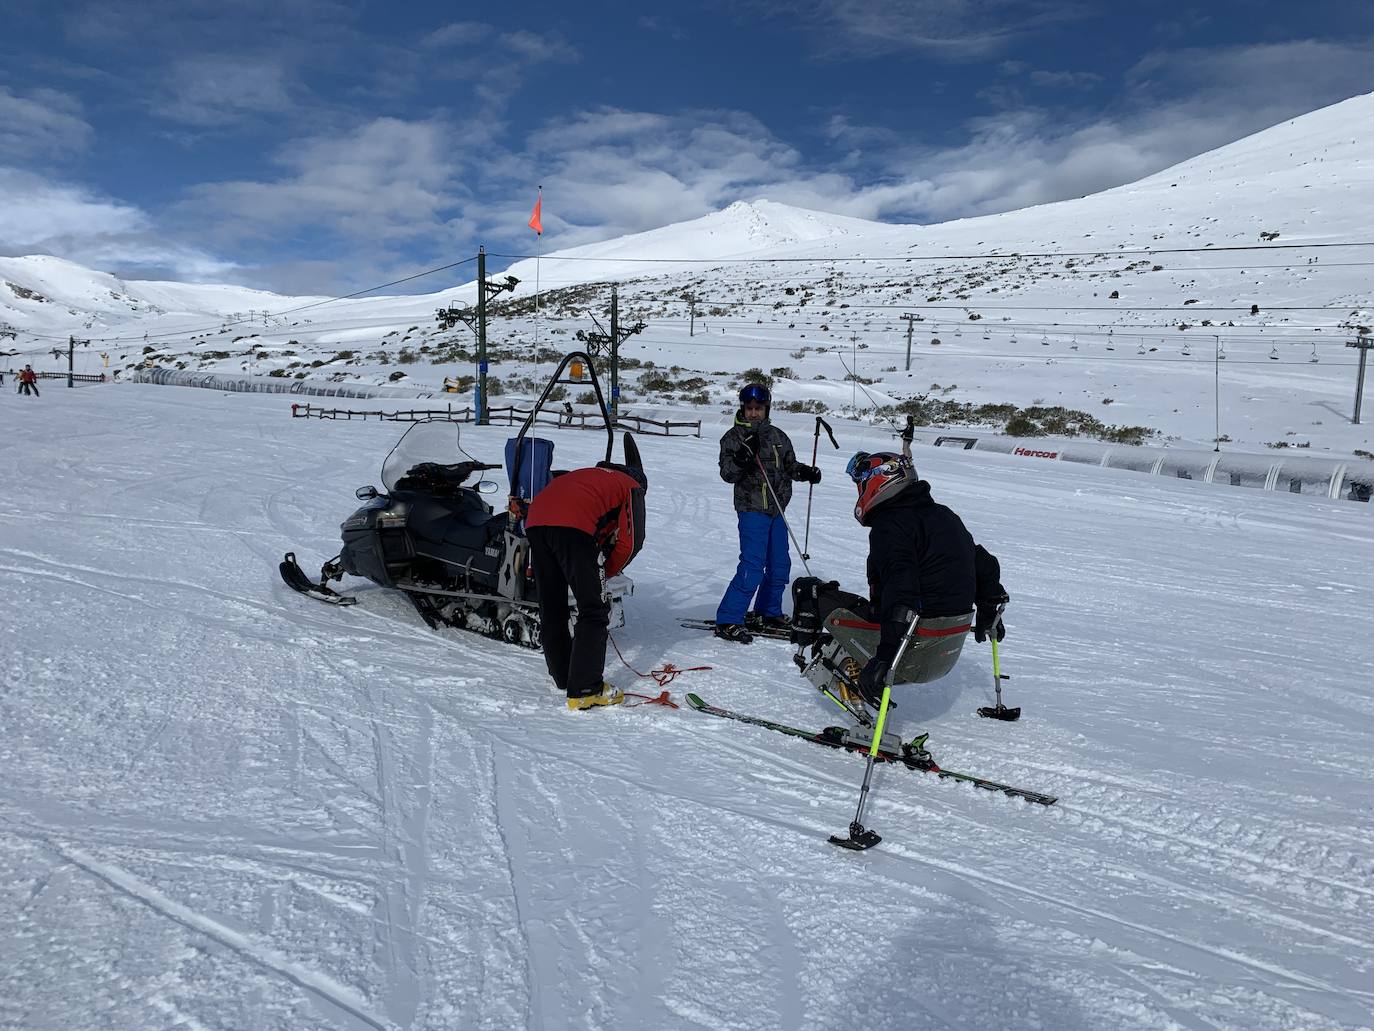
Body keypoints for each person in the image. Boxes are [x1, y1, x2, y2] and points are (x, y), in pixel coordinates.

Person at [846, 450, 1008, 704]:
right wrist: (989, 609)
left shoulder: (889, 525)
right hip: (943, 642)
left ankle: (851, 691)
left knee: (812, 593)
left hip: (910, 646)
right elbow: (983, 563)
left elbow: (901, 593)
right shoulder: (944, 515)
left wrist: (884, 658)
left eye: (860, 483)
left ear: (877, 480)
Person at [525, 458, 647, 710]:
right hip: (573, 526)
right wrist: (606, 573)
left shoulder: (593, 476)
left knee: (553, 605)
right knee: (594, 608)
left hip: (536, 522)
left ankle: (563, 675)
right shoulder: (632, 486)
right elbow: (631, 542)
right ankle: (585, 688)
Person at [714, 383, 821, 643]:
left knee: (779, 565)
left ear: (766, 409)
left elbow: (789, 466)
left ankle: (768, 610)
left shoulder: (778, 436)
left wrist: (804, 472)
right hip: (752, 509)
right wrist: (741, 459)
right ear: (742, 408)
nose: (753, 413)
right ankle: (728, 618)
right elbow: (728, 474)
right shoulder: (732, 438)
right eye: (749, 408)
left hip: (777, 510)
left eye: (758, 409)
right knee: (753, 566)